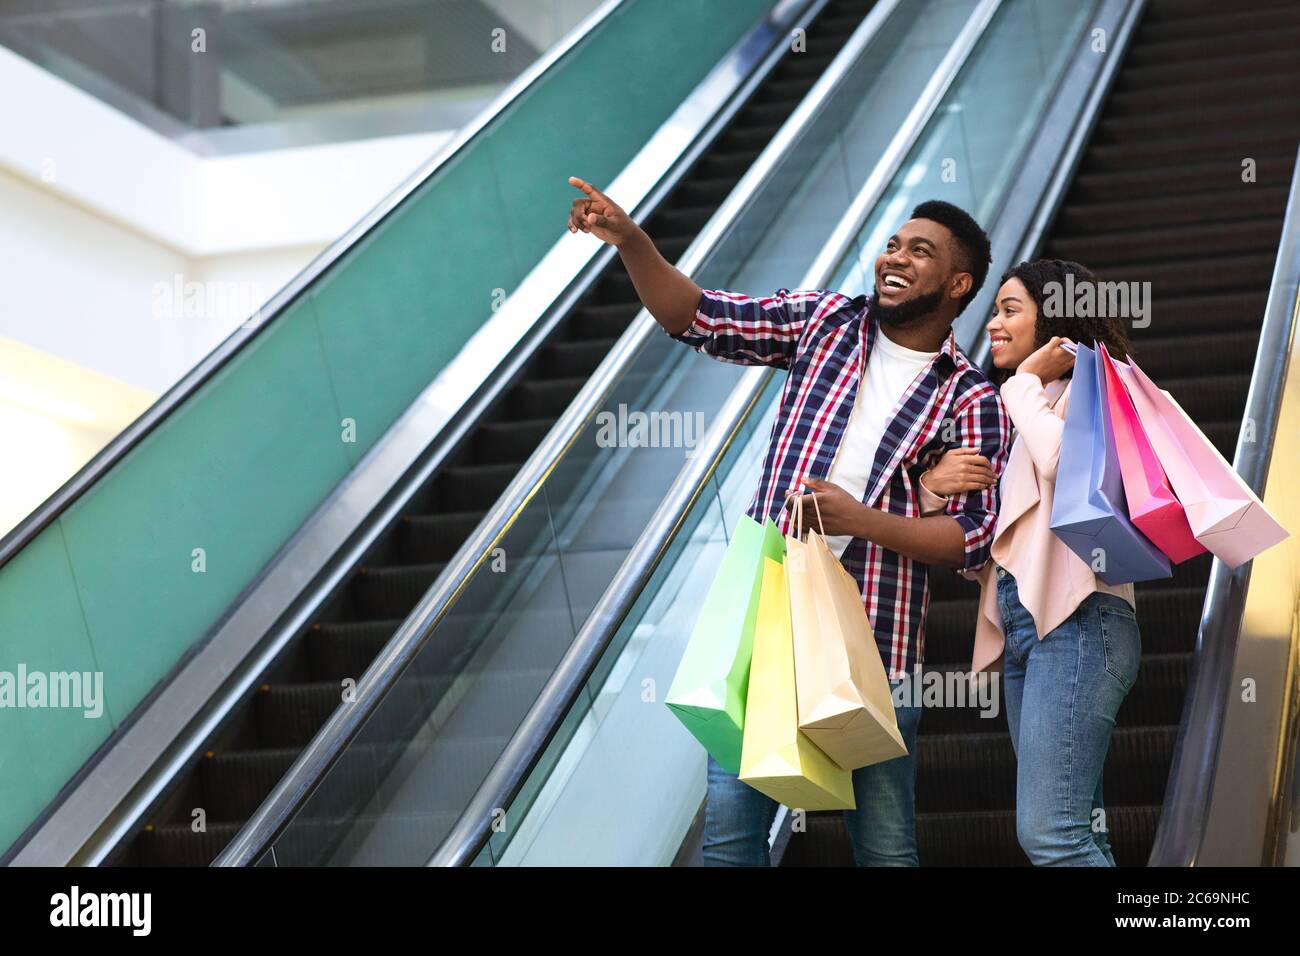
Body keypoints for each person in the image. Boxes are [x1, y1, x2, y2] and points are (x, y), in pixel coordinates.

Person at [565, 177, 1011, 865]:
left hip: (876, 644)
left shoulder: (971, 396)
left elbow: (969, 539)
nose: (894, 258)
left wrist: (860, 520)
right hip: (767, 621)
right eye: (891, 244)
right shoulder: (825, 322)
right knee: (731, 843)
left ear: (958, 285)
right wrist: (631, 241)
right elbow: (699, 317)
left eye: (918, 252)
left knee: (887, 852)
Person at [919, 258, 1142, 866]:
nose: (993, 323)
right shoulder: (1024, 410)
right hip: (1025, 628)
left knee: (1052, 835)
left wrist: (1019, 386)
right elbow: (989, 543)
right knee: (1081, 832)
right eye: (995, 310)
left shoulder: (1097, 385)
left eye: (1010, 310)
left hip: (1079, 621)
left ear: (1056, 319)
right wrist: (936, 491)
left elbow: (1067, 470)